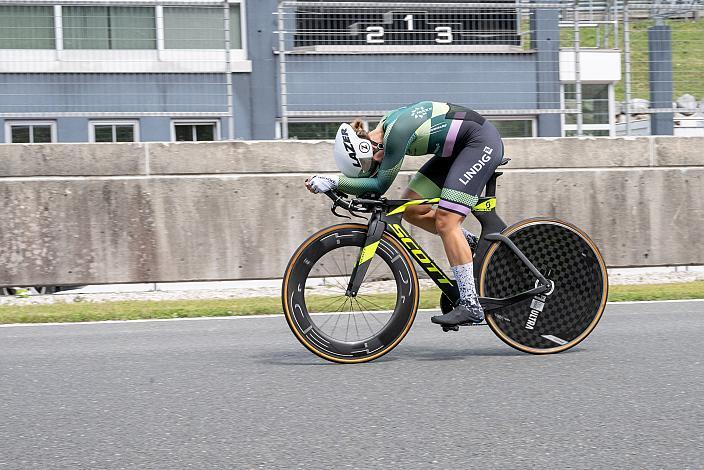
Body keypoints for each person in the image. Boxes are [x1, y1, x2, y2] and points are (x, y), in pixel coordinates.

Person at [304, 101, 504, 327]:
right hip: (456, 151)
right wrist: (338, 185)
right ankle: (474, 247)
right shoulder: (383, 131)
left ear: (367, 146)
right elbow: (370, 183)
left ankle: (471, 305)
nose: (374, 168)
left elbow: (378, 185)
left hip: (479, 144)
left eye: (369, 164)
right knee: (412, 208)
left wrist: (332, 181)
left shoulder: (397, 133)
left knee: (447, 221)